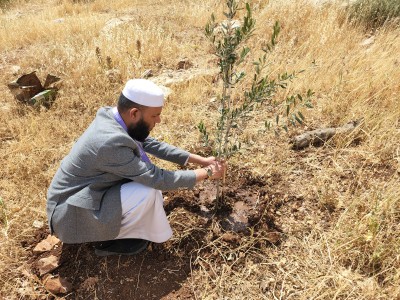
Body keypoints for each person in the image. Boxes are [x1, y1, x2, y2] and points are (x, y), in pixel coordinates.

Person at [46, 79, 225, 256]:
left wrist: (200, 161)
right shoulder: (109, 143)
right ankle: (113, 240)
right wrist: (208, 172)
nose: (159, 120)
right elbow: (157, 179)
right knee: (147, 191)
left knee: (148, 191)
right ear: (134, 113)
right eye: (154, 115)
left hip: (84, 196)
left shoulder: (114, 117)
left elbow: (150, 143)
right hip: (69, 216)